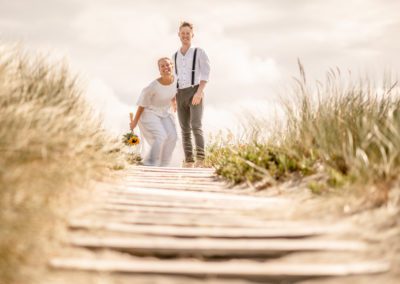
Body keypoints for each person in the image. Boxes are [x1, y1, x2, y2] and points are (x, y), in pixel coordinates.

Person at [173, 21, 210, 168]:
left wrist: (199, 93)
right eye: (183, 33)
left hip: (195, 91)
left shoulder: (199, 52)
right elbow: (174, 78)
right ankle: (189, 161)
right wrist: (173, 99)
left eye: (188, 33)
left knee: (196, 125)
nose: (185, 36)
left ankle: (201, 160)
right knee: (184, 129)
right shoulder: (175, 55)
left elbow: (206, 74)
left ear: (192, 35)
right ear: (179, 35)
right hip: (179, 93)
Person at [130, 57, 178, 167]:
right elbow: (142, 105)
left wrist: (174, 101)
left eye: (168, 65)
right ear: (159, 70)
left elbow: (173, 91)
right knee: (161, 135)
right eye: (162, 66)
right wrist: (134, 122)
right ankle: (150, 163)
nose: (166, 67)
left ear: (172, 66)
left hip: (164, 112)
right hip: (149, 112)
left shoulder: (176, 81)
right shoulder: (152, 87)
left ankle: (164, 163)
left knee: (173, 136)